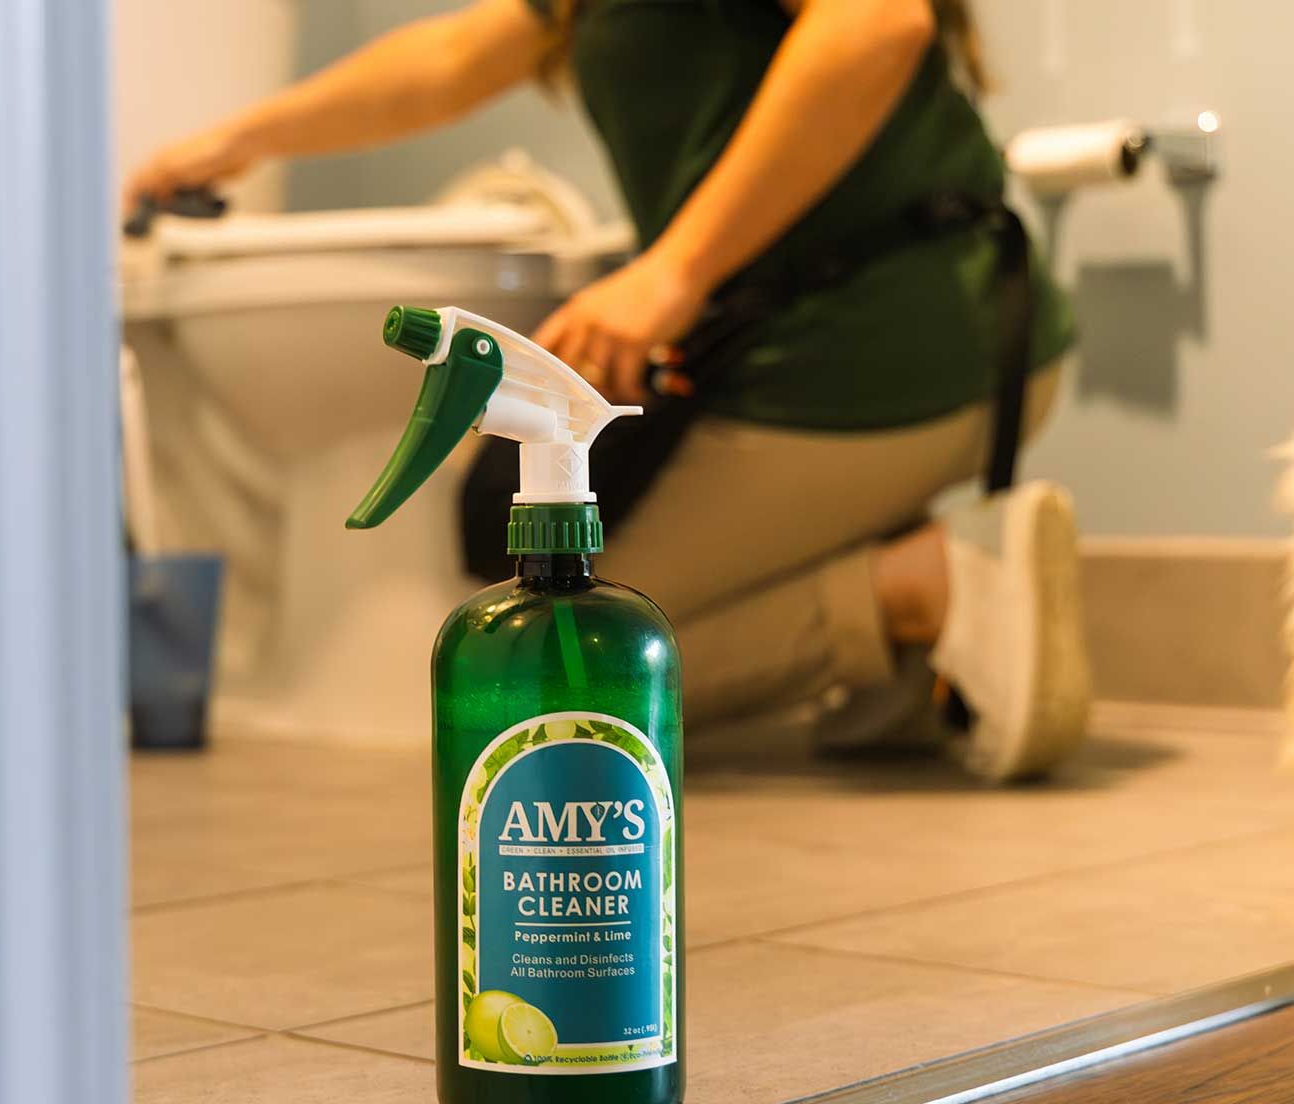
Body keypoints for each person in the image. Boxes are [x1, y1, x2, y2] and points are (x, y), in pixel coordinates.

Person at [128, 0, 1087, 780]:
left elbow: (876, 21)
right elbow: (459, 54)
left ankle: (916, 592)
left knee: (563, 670)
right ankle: (903, 672)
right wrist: (240, 138)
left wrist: (673, 273)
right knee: (555, 617)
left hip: (899, 338)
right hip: (848, 340)